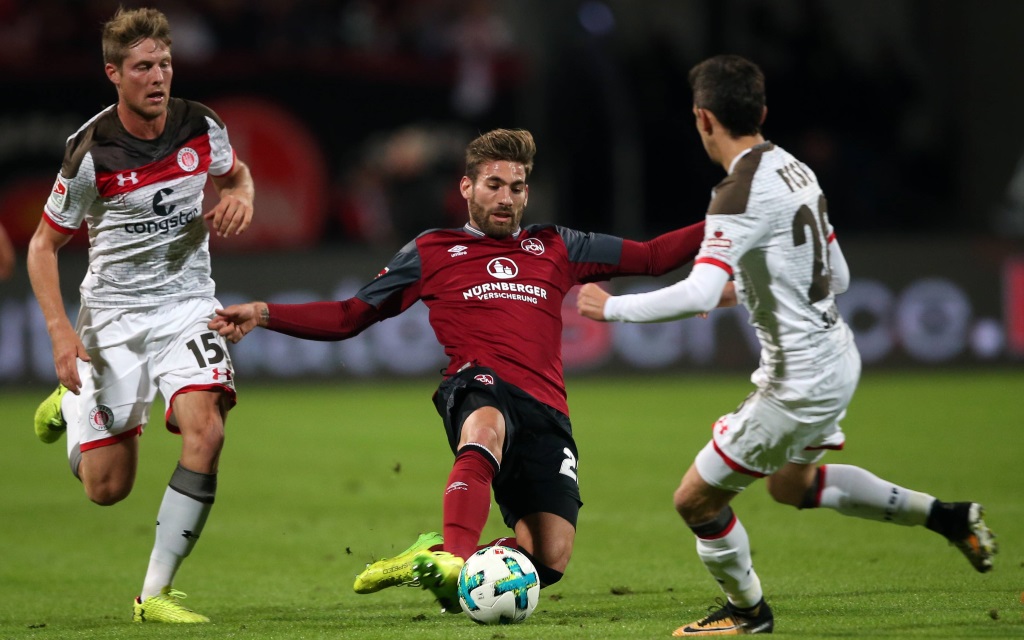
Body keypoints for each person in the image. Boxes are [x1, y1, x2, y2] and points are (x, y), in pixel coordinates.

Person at [209, 127, 728, 613]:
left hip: (546, 407)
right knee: (484, 428)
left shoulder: (558, 245)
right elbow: (350, 316)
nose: (507, 197)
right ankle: (455, 558)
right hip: (476, 382)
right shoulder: (432, 250)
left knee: (549, 557)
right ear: (467, 187)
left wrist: (733, 220)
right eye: (495, 184)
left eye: (517, 187)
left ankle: (430, 553)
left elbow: (656, 257)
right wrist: (265, 313)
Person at [575, 54, 997, 636]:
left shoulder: (736, 192)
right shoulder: (795, 168)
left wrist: (610, 307)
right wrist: (752, 290)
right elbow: (839, 276)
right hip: (837, 359)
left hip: (795, 383)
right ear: (762, 112)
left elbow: (698, 291)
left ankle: (748, 614)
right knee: (791, 487)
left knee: (694, 501)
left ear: (702, 119)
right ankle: (948, 517)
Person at [27, 6, 254, 624]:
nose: (159, 77)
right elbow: (43, 246)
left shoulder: (202, 126)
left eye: (165, 64)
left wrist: (238, 197)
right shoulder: (90, 153)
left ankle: (153, 593)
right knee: (107, 489)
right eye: (143, 67)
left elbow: (236, 176)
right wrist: (60, 331)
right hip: (115, 321)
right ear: (114, 74)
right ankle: (72, 405)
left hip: (187, 308)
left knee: (206, 429)